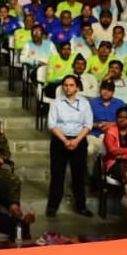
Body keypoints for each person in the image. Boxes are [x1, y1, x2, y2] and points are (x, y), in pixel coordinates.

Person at [46, 74, 93, 217]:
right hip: (59, 141)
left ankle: (81, 206)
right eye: (65, 85)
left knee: (78, 176)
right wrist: (65, 141)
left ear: (77, 87)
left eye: (71, 85)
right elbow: (52, 124)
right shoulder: (56, 103)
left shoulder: (84, 103)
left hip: (79, 141)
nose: (68, 88)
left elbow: (88, 124)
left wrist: (76, 141)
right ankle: (52, 206)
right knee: (57, 175)